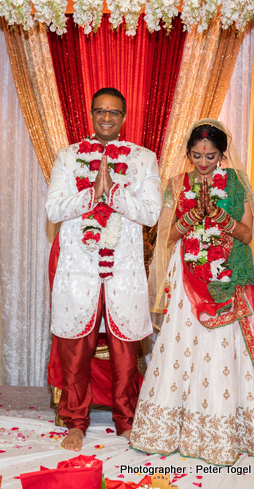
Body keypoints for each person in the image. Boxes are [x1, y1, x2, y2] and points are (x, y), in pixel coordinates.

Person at [130, 119, 254, 465]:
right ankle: (171, 428)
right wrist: (190, 220)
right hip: (188, 279)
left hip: (227, 276)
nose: (203, 163)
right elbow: (165, 238)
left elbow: (246, 235)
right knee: (183, 345)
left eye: (211, 156)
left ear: (222, 155)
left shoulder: (235, 184)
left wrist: (219, 218)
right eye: (197, 156)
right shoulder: (175, 184)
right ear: (188, 155)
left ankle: (228, 428)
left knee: (224, 349)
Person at [45, 87, 162, 451]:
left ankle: (126, 420)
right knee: (74, 349)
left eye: (114, 112)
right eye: (100, 111)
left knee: (125, 349)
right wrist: (91, 194)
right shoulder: (68, 157)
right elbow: (53, 210)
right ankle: (75, 421)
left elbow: (150, 213)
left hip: (123, 268)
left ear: (124, 117)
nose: (107, 117)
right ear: (91, 114)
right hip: (78, 267)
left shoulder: (144, 159)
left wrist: (111, 192)